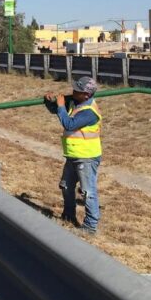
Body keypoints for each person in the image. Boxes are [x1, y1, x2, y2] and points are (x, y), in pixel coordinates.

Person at [44, 76, 102, 234]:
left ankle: (90, 226)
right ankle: (68, 215)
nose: (73, 91)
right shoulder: (76, 103)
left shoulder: (89, 112)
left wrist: (61, 106)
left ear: (87, 95)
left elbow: (69, 123)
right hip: (73, 155)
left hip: (86, 157)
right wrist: (49, 101)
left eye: (77, 90)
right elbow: (56, 111)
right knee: (66, 186)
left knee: (87, 192)